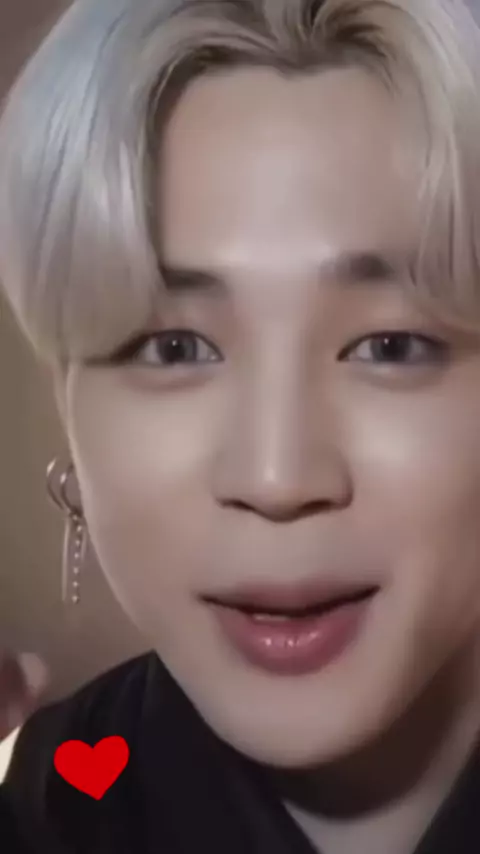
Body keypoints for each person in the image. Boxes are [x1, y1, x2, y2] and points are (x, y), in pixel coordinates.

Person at [1, 0, 480, 851]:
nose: (277, 478)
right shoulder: (48, 801)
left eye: (392, 345)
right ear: (68, 400)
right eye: (174, 347)